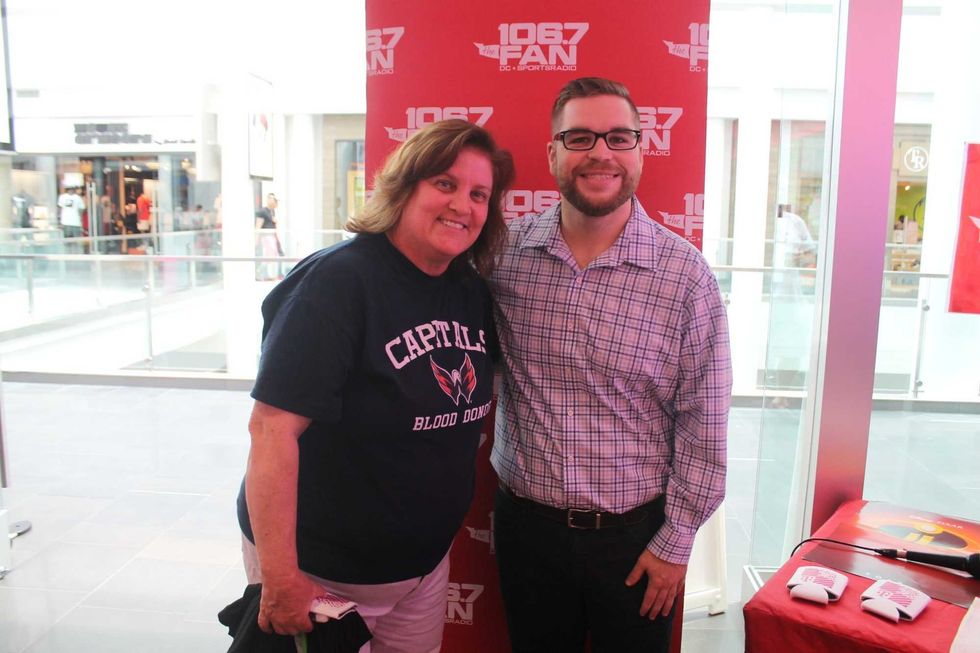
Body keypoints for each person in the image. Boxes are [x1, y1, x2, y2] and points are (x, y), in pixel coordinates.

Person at [236, 119, 514, 653]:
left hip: (419, 572)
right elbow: (271, 430)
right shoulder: (336, 283)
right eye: (445, 184)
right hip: (322, 575)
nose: (463, 205)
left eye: (480, 194)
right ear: (405, 186)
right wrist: (280, 577)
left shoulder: (468, 289)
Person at [489, 77, 732, 653]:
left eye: (619, 137)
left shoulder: (685, 278)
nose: (600, 152)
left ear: (640, 150)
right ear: (552, 153)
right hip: (526, 531)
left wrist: (676, 543)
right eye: (579, 137)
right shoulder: (503, 258)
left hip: (637, 541)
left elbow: (705, 423)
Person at [255, 192, 283, 280]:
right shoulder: (263, 212)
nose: (276, 203)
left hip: (272, 236)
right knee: (269, 256)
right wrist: (256, 239)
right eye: (274, 200)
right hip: (266, 236)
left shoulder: (272, 211)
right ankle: (262, 274)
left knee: (272, 255)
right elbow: (258, 226)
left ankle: (268, 275)